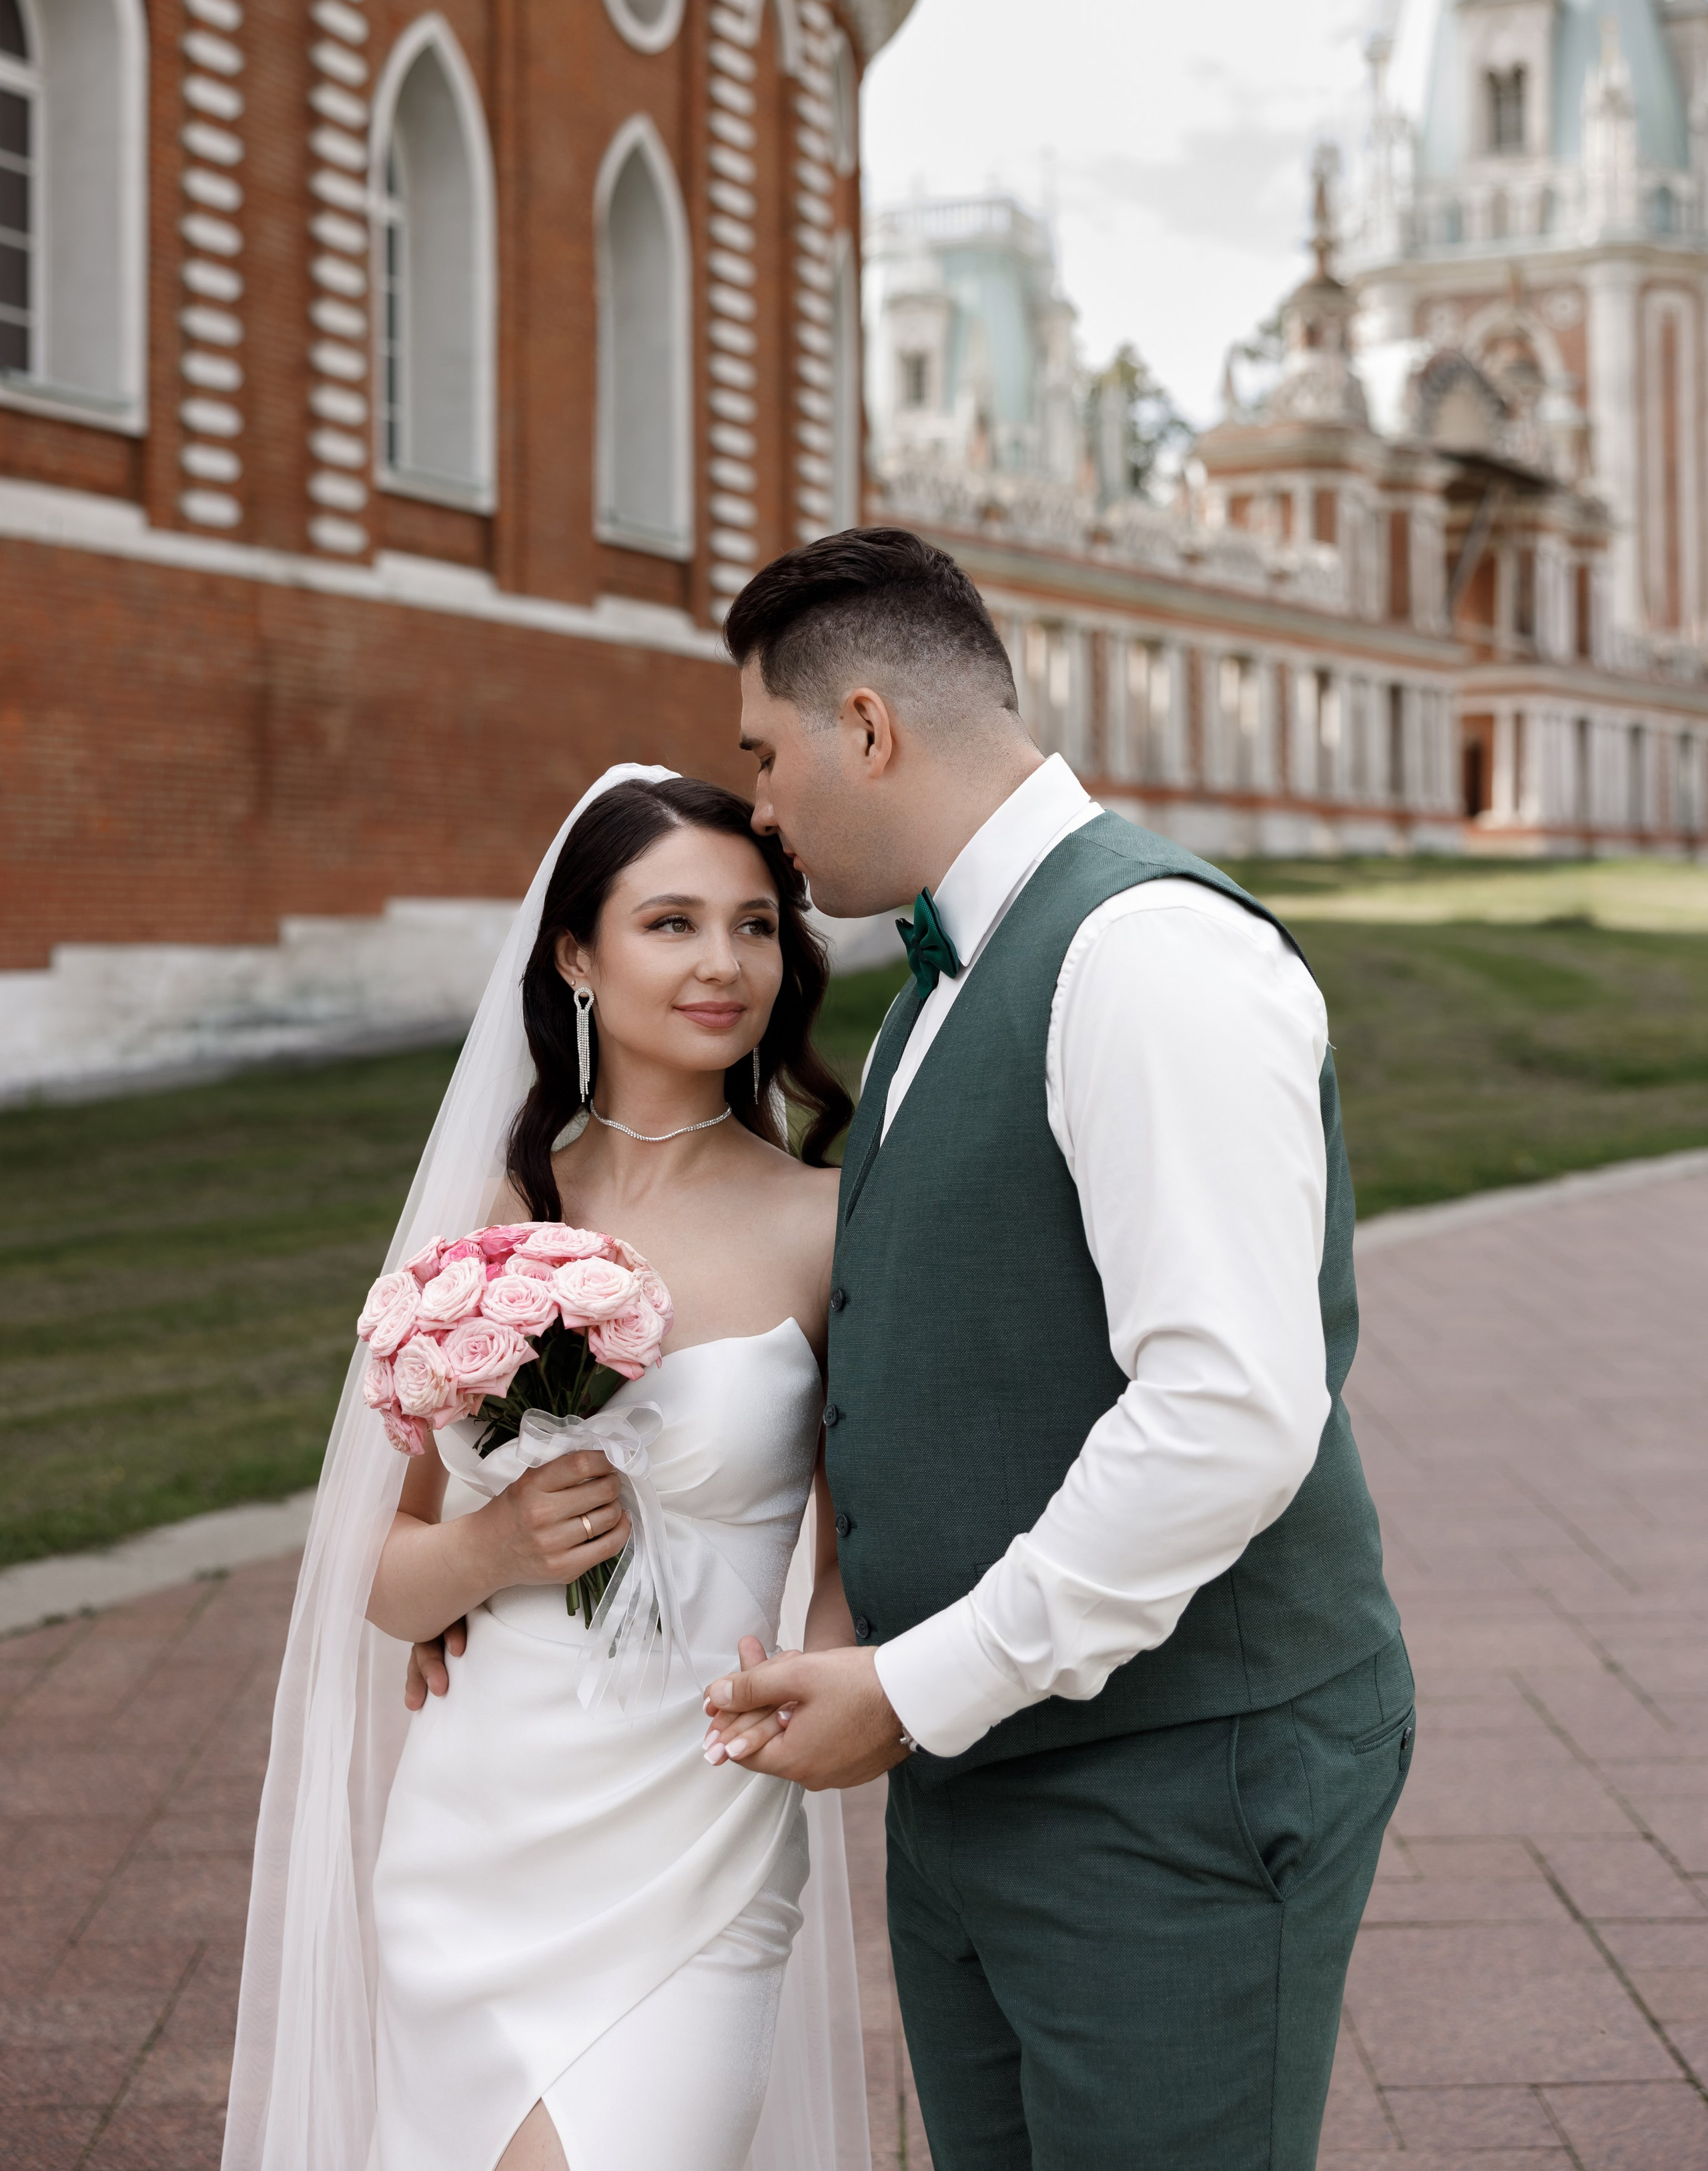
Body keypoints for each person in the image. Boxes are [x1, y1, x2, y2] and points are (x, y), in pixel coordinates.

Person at [702, 526, 1414, 2171]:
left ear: (866, 727)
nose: (758, 807)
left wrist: (920, 1683)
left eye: (764, 751)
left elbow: (1229, 1415)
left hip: (1173, 1786)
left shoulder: (1146, 954)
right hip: (983, 1761)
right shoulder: (942, 977)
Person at [222, 767, 872, 2171]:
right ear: (575, 953)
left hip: (697, 1821)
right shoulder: (484, 1225)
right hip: (480, 1825)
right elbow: (385, 1582)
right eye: (672, 924)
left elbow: (851, 1549)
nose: (722, 965)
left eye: (755, 927)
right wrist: (493, 1549)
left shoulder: (828, 1221)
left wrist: (818, 1685)